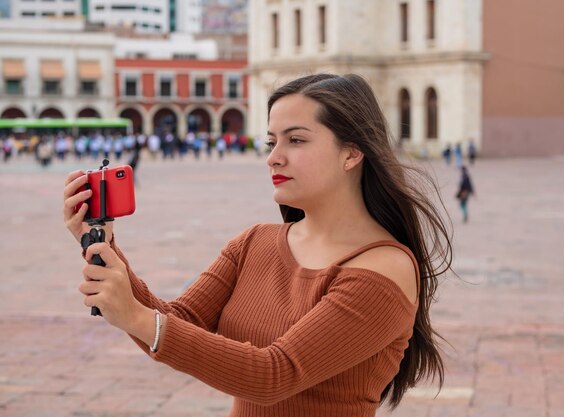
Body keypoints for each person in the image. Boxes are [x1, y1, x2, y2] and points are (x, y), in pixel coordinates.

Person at [62, 73, 452, 417]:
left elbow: (274, 375)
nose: (273, 158)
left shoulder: (384, 267)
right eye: (271, 141)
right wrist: (103, 245)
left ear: (351, 153)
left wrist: (135, 317)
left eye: (296, 140)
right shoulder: (254, 242)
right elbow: (179, 322)